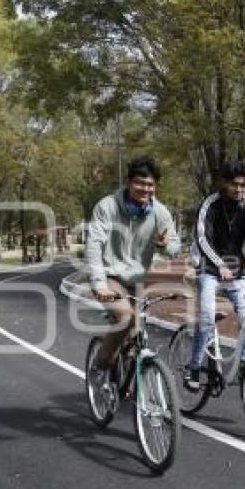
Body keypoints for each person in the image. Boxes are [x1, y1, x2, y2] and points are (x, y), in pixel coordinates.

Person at [186, 160, 245, 390]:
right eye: (235, 185)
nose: (240, 190)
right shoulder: (210, 204)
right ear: (224, 183)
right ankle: (195, 368)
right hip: (208, 269)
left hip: (236, 272)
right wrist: (219, 265)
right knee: (207, 317)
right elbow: (202, 239)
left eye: (244, 186)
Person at [86, 156, 181, 374]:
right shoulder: (107, 207)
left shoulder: (160, 212)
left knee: (136, 336)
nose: (145, 189)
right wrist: (99, 284)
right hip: (109, 277)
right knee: (125, 318)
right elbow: (94, 247)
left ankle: (132, 388)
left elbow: (174, 247)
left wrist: (166, 245)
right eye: (140, 183)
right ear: (128, 182)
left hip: (136, 281)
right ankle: (100, 364)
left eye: (150, 185)